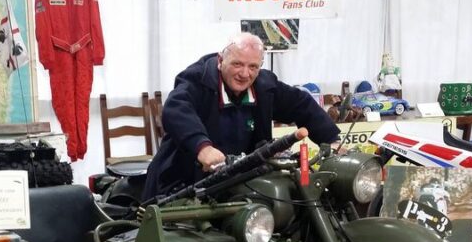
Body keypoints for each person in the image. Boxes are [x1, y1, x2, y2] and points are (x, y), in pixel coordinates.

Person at [143, 32, 341, 199]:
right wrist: (202, 147)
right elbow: (176, 109)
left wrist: (332, 140)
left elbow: (300, 103)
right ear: (221, 61)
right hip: (182, 183)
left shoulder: (264, 86)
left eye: (253, 66)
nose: (245, 74)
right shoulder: (196, 79)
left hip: (238, 184)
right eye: (237, 64)